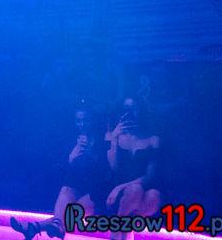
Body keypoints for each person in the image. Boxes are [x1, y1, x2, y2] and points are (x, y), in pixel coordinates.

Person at [10, 105, 109, 240]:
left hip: (97, 191)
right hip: (75, 187)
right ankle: (38, 227)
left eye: (86, 120)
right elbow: (56, 171)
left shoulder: (103, 139)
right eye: (78, 121)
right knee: (66, 189)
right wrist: (70, 158)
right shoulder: (70, 140)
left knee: (64, 217)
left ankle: (35, 227)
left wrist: (91, 154)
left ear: (93, 120)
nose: (82, 124)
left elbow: (108, 170)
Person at [105, 96, 162, 240]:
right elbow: (113, 167)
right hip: (115, 192)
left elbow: (150, 176)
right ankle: (116, 234)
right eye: (126, 109)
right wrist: (114, 138)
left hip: (137, 188)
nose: (130, 113)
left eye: (134, 108)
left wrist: (122, 187)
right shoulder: (113, 135)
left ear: (140, 111)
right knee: (134, 190)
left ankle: (123, 230)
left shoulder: (152, 139)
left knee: (153, 195)